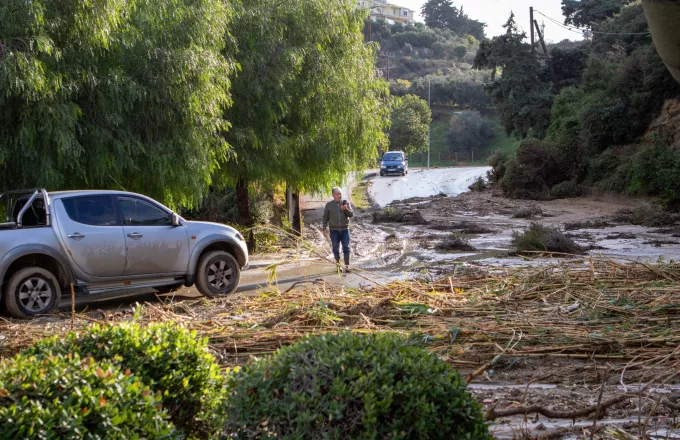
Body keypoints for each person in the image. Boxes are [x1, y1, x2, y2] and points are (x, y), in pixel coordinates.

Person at [322, 187, 354, 272]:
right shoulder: (329, 205)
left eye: (340, 194)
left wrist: (345, 209)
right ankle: (338, 266)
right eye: (337, 194)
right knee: (335, 248)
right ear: (333, 195)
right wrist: (324, 228)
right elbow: (325, 217)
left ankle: (347, 266)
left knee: (346, 248)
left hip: (344, 230)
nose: (339, 195)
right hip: (334, 230)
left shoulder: (345, 203)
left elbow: (351, 215)